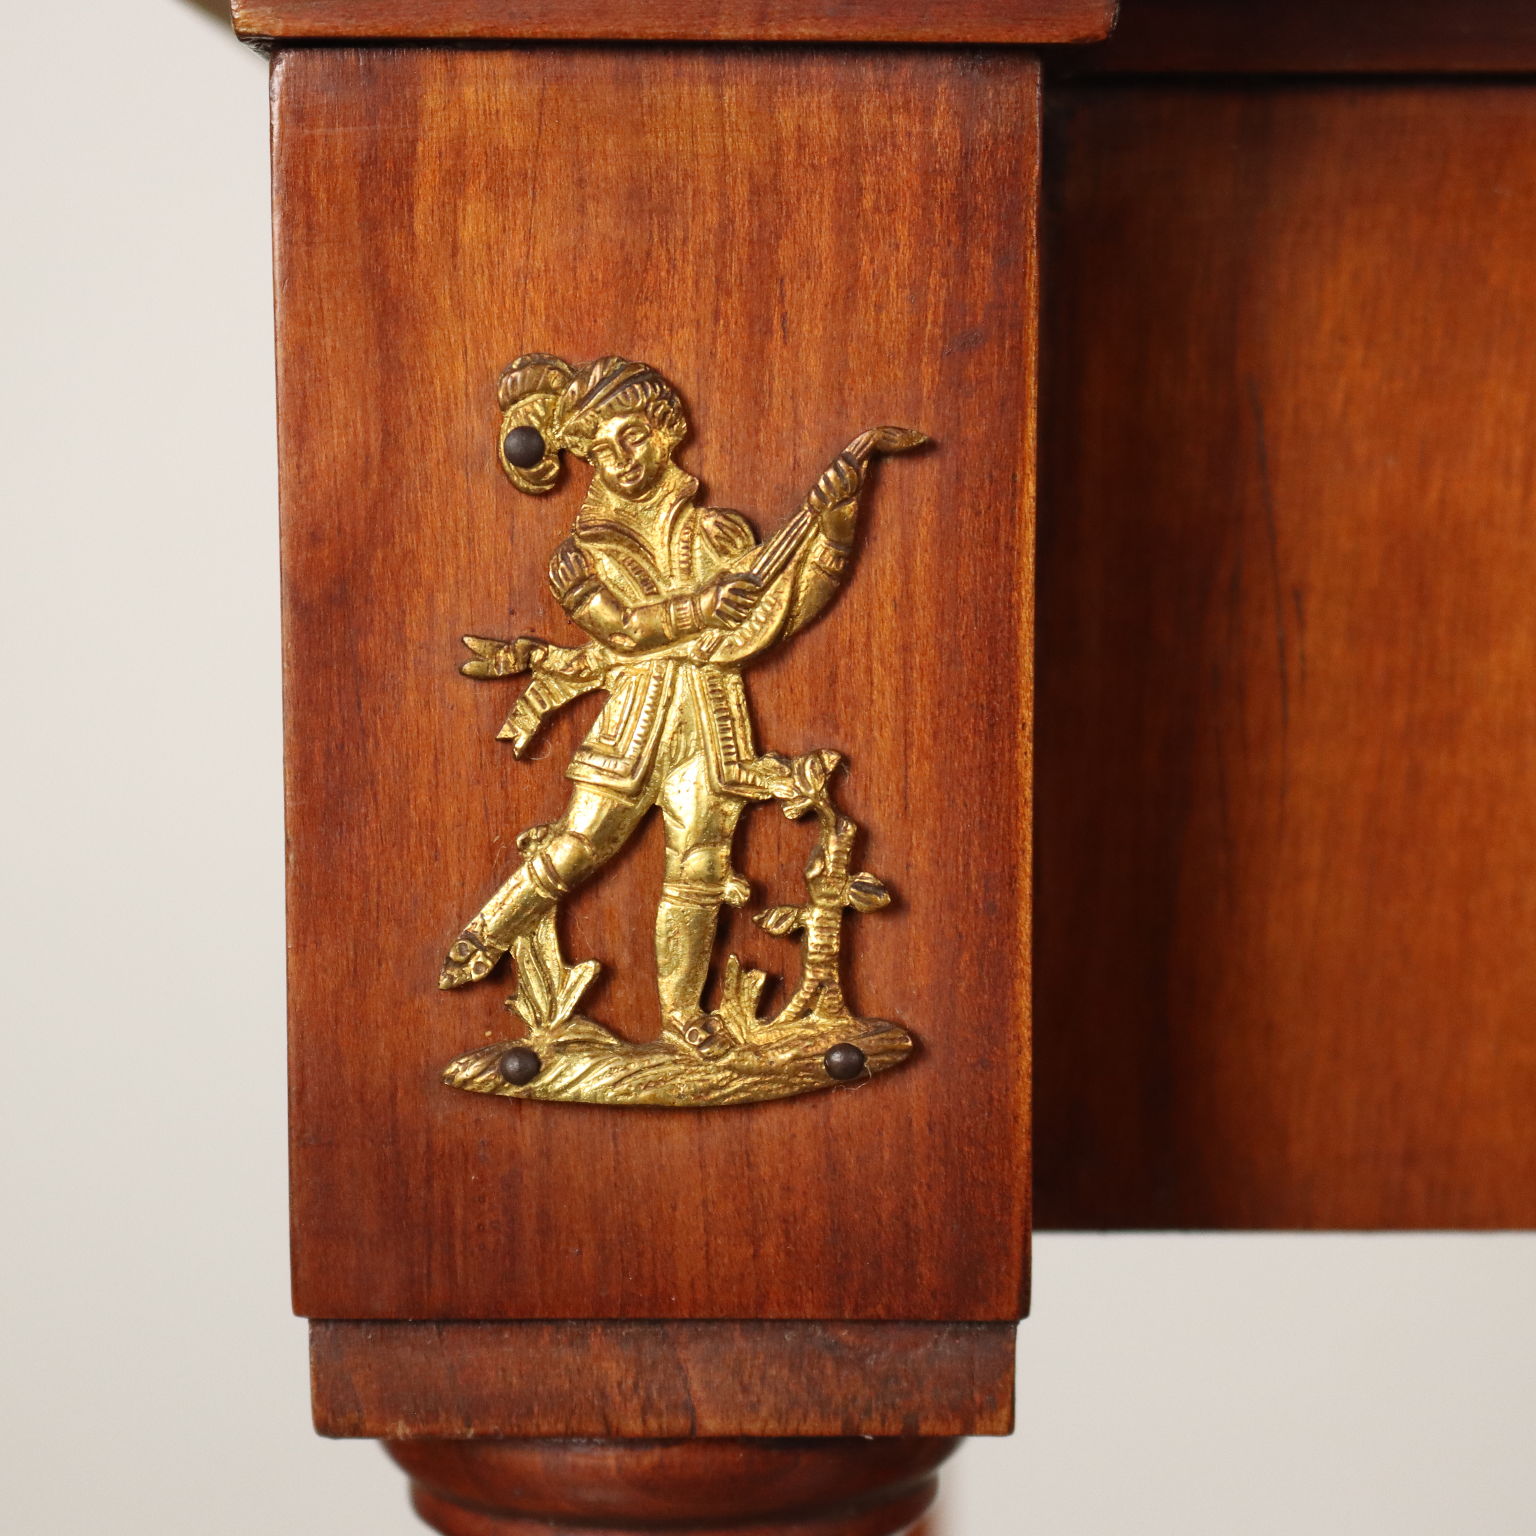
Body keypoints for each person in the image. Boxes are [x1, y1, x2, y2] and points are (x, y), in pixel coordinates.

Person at [439, 353, 920, 1053]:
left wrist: (837, 527)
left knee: (700, 866)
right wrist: (702, 606)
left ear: (667, 429)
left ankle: (683, 1017)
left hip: (711, 716)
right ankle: (490, 929)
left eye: (632, 436)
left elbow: (782, 613)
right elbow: (622, 629)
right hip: (636, 719)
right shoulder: (581, 553)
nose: (621, 459)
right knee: (579, 845)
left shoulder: (717, 534)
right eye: (601, 451)